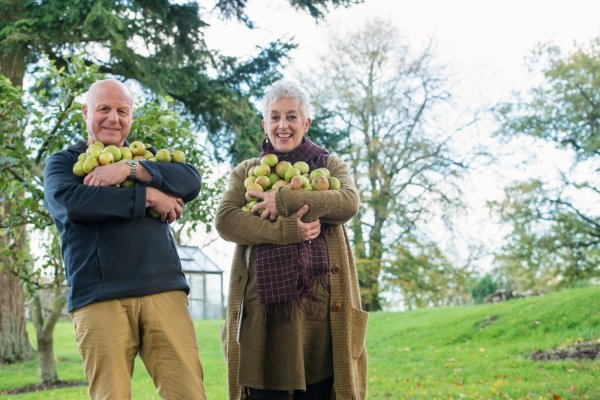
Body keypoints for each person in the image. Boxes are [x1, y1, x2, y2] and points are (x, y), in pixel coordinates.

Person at [44, 79, 207, 400]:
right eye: (103, 109)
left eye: (122, 111)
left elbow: (190, 179)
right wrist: (147, 198)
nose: (113, 118)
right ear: (86, 111)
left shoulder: (144, 157)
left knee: (189, 393)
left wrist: (130, 169)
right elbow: (72, 203)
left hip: (163, 292)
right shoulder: (64, 163)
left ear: (131, 116)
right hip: (100, 298)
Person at [216, 79, 368, 399]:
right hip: (264, 321)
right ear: (264, 123)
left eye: (291, 116)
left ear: (306, 122)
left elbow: (347, 202)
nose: (282, 125)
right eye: (274, 117)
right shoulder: (246, 172)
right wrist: (286, 231)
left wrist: (283, 200)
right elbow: (227, 220)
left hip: (322, 320)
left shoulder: (329, 166)